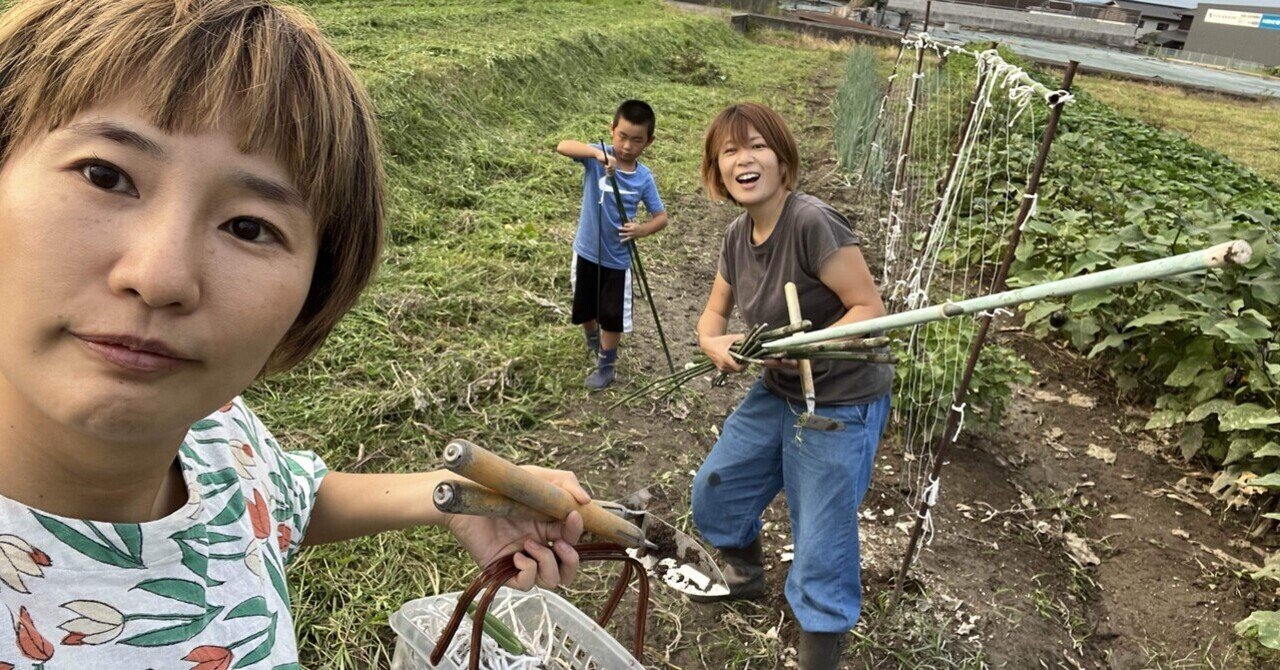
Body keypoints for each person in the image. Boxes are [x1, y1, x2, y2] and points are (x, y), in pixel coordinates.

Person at [0, 0, 585, 665]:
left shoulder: (218, 431)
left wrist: (450, 500)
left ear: (313, 294)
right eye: (105, 175)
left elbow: (278, 500)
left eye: (249, 227)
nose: (161, 276)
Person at [689, 102, 894, 670]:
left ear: (782, 159)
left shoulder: (811, 222)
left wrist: (810, 342)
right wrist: (714, 342)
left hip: (840, 397)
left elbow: (867, 309)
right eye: (729, 151)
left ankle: (819, 648)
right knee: (717, 486)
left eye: (756, 145)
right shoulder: (737, 236)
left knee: (822, 532)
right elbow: (712, 316)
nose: (743, 159)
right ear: (718, 171)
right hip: (780, 388)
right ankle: (746, 575)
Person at [555, 100, 668, 390]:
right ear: (612, 130)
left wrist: (641, 230)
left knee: (612, 315)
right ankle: (593, 339)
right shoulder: (596, 157)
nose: (627, 146)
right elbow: (562, 145)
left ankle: (606, 364)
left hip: (617, 259)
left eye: (637, 140)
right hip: (587, 251)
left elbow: (661, 217)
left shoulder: (643, 178)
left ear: (649, 142)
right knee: (585, 308)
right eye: (622, 136)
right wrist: (596, 152)